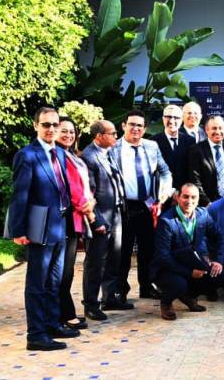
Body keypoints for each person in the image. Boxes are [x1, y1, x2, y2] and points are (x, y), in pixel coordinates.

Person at [9, 107, 80, 350]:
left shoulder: (59, 153)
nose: (51, 129)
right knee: (37, 283)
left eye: (54, 124)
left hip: (60, 226)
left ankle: (52, 324)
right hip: (39, 227)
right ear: (36, 126)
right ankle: (36, 335)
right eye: (46, 124)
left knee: (54, 280)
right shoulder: (27, 155)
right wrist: (18, 231)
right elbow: (20, 195)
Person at [111, 109, 173, 302]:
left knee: (148, 250)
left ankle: (147, 286)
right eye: (132, 124)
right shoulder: (113, 147)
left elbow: (164, 171)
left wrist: (164, 190)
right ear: (124, 126)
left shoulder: (152, 146)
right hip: (123, 206)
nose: (135, 128)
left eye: (140, 125)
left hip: (147, 205)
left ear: (145, 128)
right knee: (124, 250)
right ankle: (120, 289)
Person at [152, 183, 224, 321]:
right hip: (168, 268)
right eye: (185, 197)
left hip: (194, 263)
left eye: (193, 197)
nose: (189, 201)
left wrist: (218, 260)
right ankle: (166, 302)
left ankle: (189, 296)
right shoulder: (166, 221)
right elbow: (163, 256)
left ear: (198, 198)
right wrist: (189, 273)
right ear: (177, 197)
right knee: (179, 284)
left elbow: (219, 236)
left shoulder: (203, 214)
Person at [82, 120, 130, 317]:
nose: (116, 137)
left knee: (114, 258)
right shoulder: (89, 157)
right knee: (95, 262)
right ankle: (91, 305)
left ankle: (109, 298)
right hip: (101, 217)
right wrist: (97, 221)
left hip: (117, 213)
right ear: (99, 136)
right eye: (112, 133)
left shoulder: (108, 152)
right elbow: (89, 194)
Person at [55, 118, 95, 331]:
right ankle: (65, 314)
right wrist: (86, 207)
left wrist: (90, 200)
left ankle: (65, 312)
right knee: (63, 271)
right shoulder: (58, 155)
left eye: (72, 131)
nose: (68, 135)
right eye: (64, 131)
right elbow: (70, 187)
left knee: (67, 269)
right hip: (67, 217)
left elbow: (84, 185)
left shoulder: (71, 154)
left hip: (76, 218)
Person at [187, 115, 224, 207]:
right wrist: (206, 202)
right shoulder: (196, 150)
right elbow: (195, 180)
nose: (218, 132)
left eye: (220, 128)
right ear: (207, 130)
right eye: (214, 128)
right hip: (206, 205)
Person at [153, 104, 192, 188]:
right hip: (162, 192)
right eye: (168, 117)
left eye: (176, 118)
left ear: (181, 120)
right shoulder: (153, 142)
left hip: (183, 193)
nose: (171, 121)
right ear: (163, 119)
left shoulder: (190, 141)